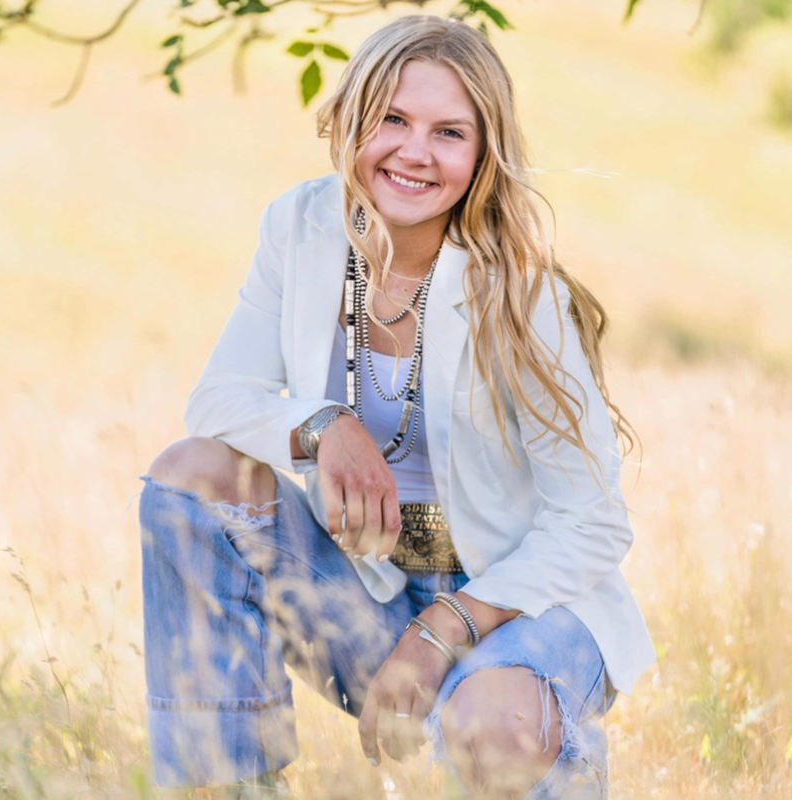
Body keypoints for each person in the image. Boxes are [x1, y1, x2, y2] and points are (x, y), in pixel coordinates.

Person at [139, 14, 655, 799]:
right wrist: (324, 427)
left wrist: (440, 632)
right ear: (350, 120)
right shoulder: (302, 226)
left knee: (491, 724)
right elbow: (218, 399)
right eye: (392, 119)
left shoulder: (524, 296)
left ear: (483, 155)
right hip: (373, 588)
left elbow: (592, 524)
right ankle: (226, 787)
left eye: (449, 132)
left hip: (518, 607)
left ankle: (534, 745)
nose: (414, 151)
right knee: (190, 479)